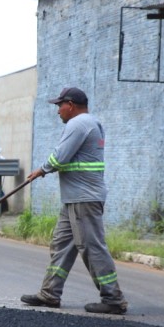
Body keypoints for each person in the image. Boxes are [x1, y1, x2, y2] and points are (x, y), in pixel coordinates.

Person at [21, 87, 129, 315]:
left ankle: (113, 299)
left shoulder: (78, 124)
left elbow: (60, 157)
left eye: (59, 106)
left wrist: (42, 169)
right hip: (74, 198)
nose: (58, 111)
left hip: (83, 198)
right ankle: (50, 293)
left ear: (70, 105)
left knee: (92, 248)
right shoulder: (90, 122)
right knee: (61, 245)